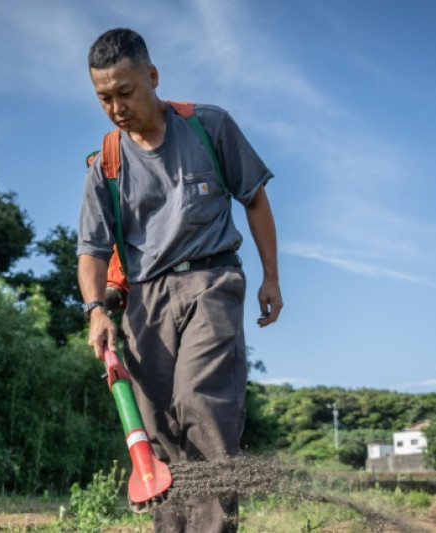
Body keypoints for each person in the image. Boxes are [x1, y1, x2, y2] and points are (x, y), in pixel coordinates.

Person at [76, 28, 283, 532]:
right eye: (104, 97)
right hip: (144, 302)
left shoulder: (208, 126)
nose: (117, 106)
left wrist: (271, 277)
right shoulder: (106, 163)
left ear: (152, 77)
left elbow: (253, 197)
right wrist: (96, 310)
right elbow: (92, 251)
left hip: (211, 280)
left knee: (200, 404)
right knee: (158, 429)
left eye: (125, 92)